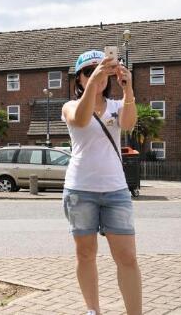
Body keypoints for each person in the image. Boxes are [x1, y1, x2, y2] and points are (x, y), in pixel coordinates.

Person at [61, 50, 141, 315]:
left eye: (102, 70)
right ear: (79, 80)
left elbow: (128, 124)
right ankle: (93, 310)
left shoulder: (117, 106)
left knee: (127, 257)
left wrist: (128, 90)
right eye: (88, 71)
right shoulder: (71, 106)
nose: (96, 75)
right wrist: (93, 84)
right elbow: (81, 120)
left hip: (115, 190)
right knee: (85, 254)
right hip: (80, 190)